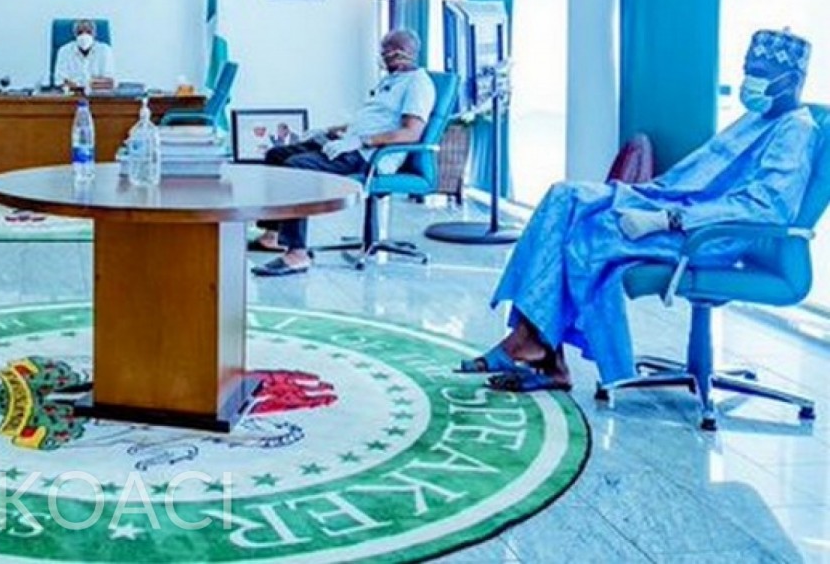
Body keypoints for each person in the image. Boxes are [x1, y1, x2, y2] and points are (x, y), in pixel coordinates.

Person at [461, 29, 819, 392]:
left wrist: (666, 219)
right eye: (747, 70)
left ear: (791, 80)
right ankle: (536, 345)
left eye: (759, 72)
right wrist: (650, 200)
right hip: (673, 205)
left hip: (708, 235)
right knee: (564, 197)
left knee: (586, 233)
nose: (749, 81)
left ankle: (536, 348)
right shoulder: (758, 118)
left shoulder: (796, 130)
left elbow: (764, 209)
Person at [251, 30, 435, 277]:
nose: (382, 57)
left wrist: (361, 141)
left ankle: (297, 254)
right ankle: (273, 234)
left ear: (403, 53)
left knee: (297, 167)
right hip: (350, 144)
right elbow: (368, 122)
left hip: (370, 156)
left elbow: (410, 133)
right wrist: (328, 131)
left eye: (387, 52)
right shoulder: (390, 81)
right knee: (276, 155)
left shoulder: (418, 84)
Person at [53, 19, 115, 89]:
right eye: (80, 32)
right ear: (75, 34)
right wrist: (94, 82)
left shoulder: (105, 50)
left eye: (89, 32)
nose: (84, 36)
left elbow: (110, 82)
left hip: (99, 93)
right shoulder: (64, 51)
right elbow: (59, 81)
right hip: (72, 93)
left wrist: (80, 84)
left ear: (95, 34)